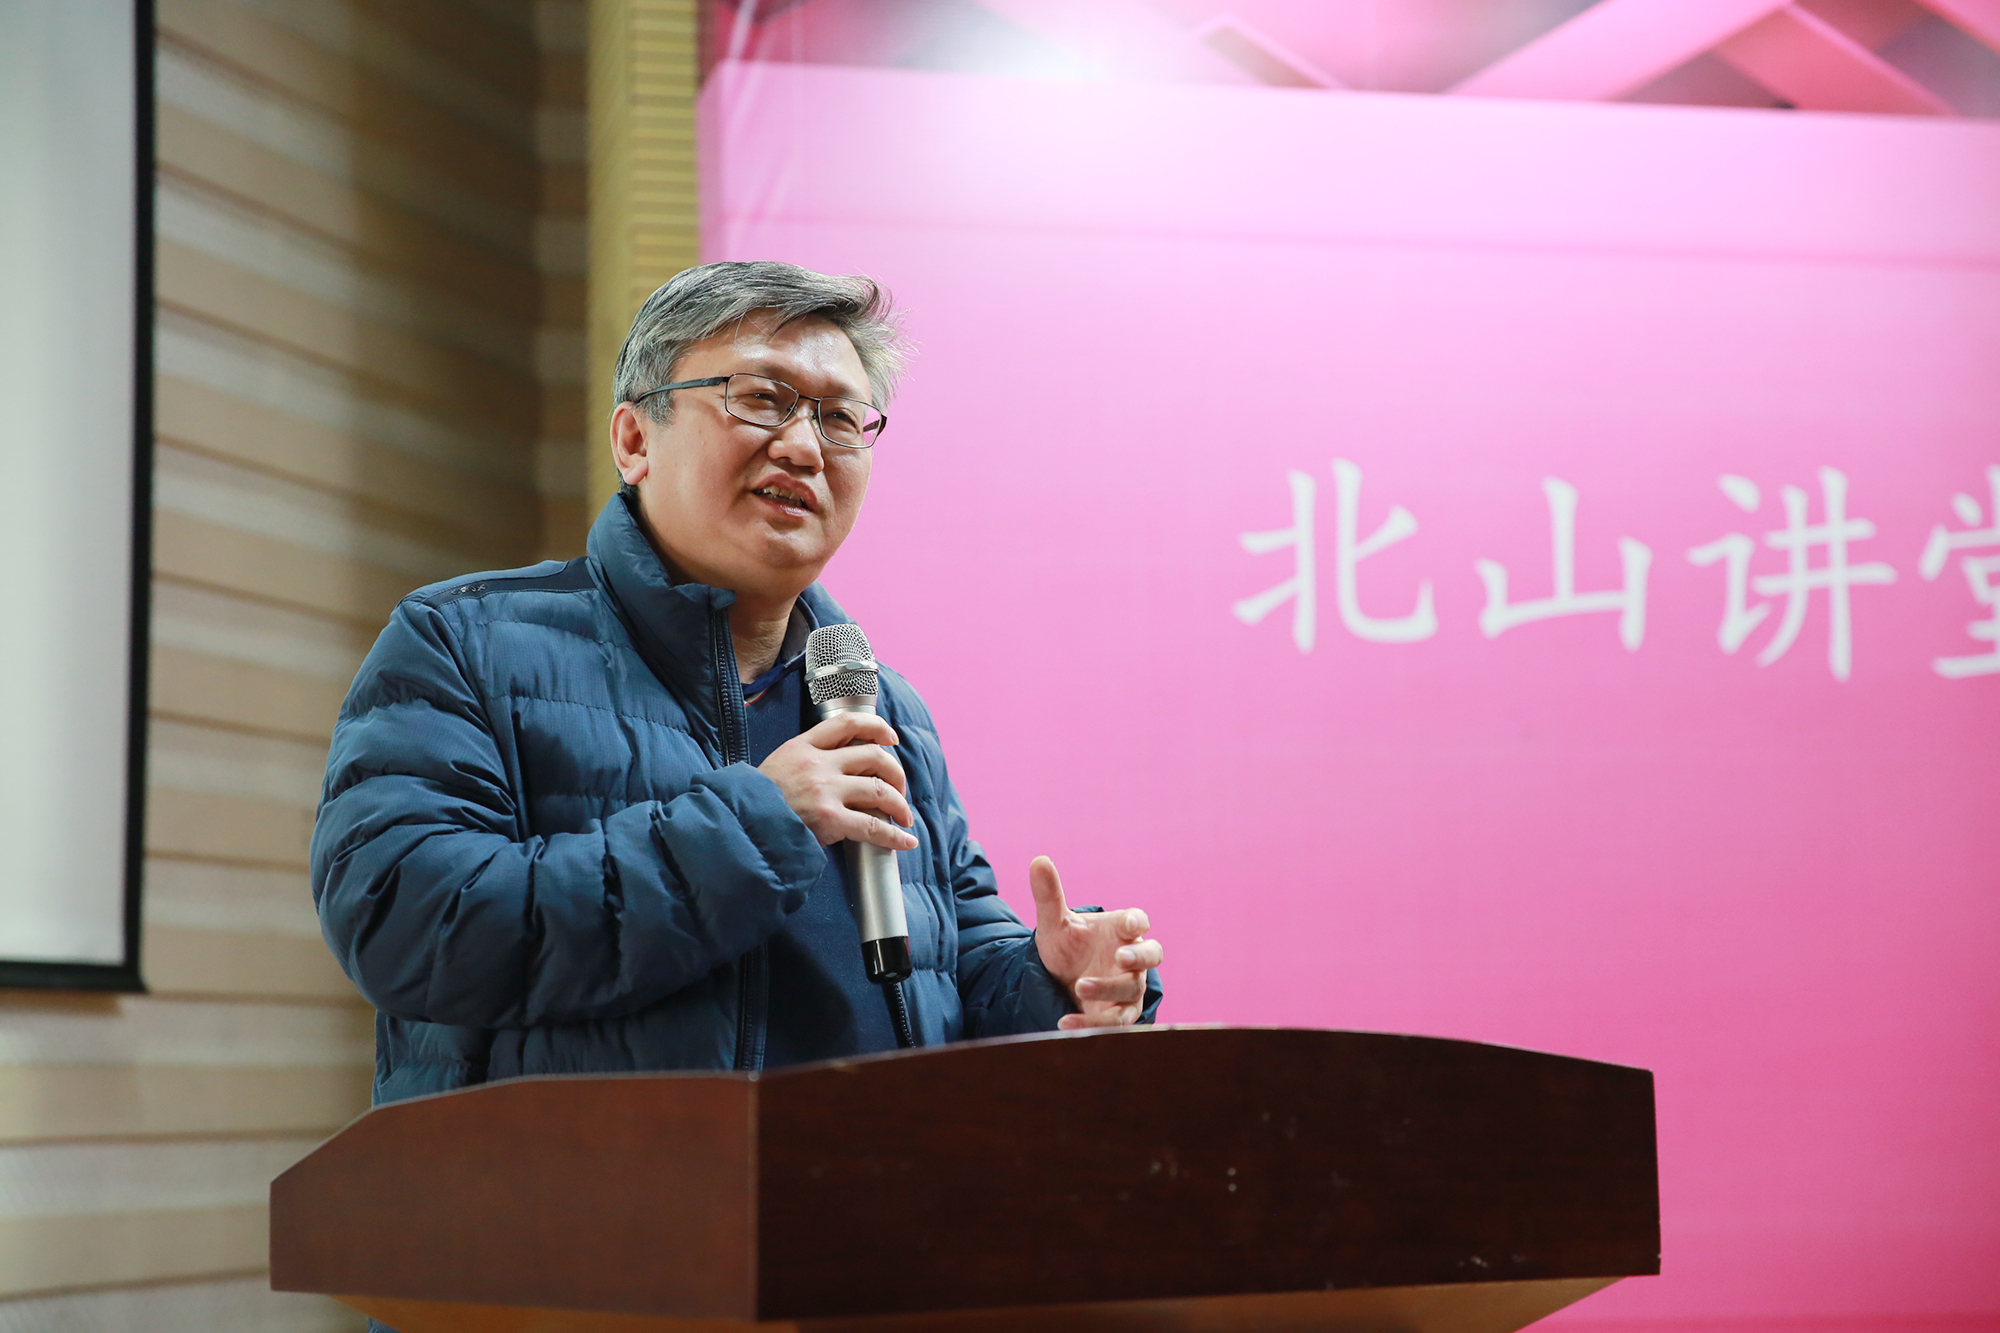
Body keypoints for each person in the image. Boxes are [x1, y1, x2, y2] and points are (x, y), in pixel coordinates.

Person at [311, 261, 1163, 1108]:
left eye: (839, 417)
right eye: (761, 398)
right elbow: (407, 925)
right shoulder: (467, 643)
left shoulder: (875, 701)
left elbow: (949, 972)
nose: (804, 446)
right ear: (634, 440)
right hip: (588, 1190)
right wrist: (759, 823)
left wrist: (1054, 979)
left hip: (865, 1185)